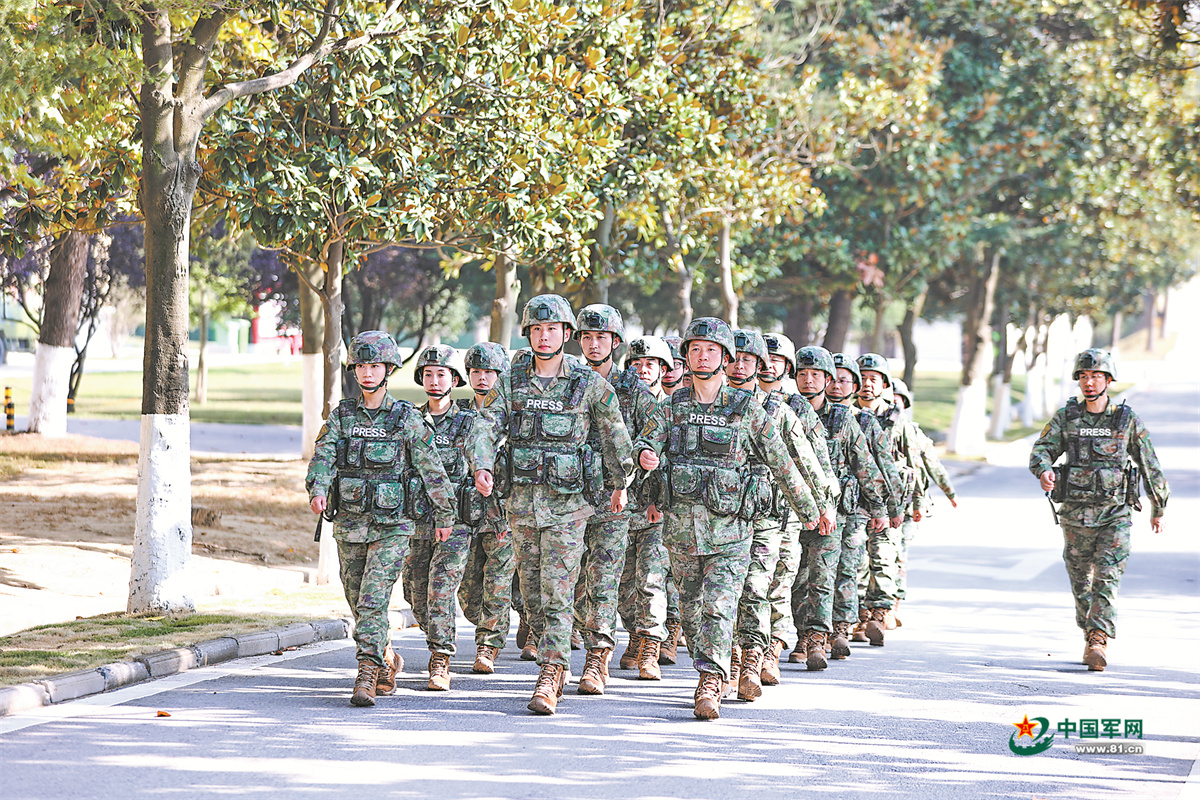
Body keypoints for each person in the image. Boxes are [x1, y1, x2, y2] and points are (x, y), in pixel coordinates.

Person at [634, 317, 821, 720]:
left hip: (732, 532)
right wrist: (644, 455)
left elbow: (781, 461)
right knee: (691, 611)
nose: (703, 357)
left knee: (719, 607)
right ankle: (715, 665)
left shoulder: (747, 409)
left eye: (712, 350)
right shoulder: (671, 408)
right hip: (681, 532)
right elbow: (645, 442)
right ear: (686, 356)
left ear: (725, 357)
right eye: (696, 350)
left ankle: (710, 682)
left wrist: (810, 509)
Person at [471, 294, 633, 715]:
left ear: (566, 334)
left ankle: (551, 672)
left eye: (553, 329)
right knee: (533, 596)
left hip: (568, 507)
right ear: (528, 333)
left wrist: (621, 483)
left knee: (559, 591)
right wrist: (482, 465)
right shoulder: (511, 381)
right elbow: (486, 425)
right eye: (537, 329)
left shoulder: (588, 382)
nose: (544, 337)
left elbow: (615, 435)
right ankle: (552, 657)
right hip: (522, 505)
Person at [306, 331, 455, 707]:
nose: (367, 373)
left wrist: (444, 514)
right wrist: (318, 488)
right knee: (358, 601)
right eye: (361, 366)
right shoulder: (342, 416)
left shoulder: (406, 418)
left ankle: (367, 671)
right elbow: (323, 456)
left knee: (372, 600)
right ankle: (386, 657)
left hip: (394, 527)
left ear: (389, 369)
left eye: (375, 366)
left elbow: (432, 469)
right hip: (350, 523)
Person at [1030, 348, 1168, 671]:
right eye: (1083, 376)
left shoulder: (1126, 420)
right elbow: (1042, 450)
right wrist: (1044, 470)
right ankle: (1089, 630)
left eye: (1095, 376)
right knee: (1081, 582)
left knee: (1107, 576)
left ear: (1108, 380)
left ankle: (1098, 639)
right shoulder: (1067, 418)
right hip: (1075, 516)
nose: (1088, 382)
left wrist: (1158, 505)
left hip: (1115, 516)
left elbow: (1149, 463)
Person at [729, 329, 835, 698]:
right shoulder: (714, 403)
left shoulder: (787, 409)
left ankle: (765, 652)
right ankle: (732, 654)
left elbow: (813, 461)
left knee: (773, 583)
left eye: (774, 360)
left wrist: (823, 504)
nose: (766, 366)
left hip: (778, 512)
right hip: (727, 512)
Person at [572, 304, 659, 692]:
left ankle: (597, 657)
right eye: (587, 337)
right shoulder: (569, 383)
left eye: (602, 337)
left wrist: (643, 457)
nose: (594, 344)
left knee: (605, 580)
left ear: (616, 342)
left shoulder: (632, 389)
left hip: (615, 500)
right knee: (570, 585)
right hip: (568, 498)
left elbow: (656, 433)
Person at [788, 345, 888, 664]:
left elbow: (864, 464)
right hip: (790, 510)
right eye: (802, 374)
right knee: (796, 579)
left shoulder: (841, 418)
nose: (808, 380)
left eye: (815, 374)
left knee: (823, 575)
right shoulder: (785, 410)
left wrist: (879, 507)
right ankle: (801, 635)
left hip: (832, 513)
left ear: (827, 379)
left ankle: (818, 638)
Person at [399, 345, 489, 691]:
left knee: (440, 589)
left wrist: (482, 473)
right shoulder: (409, 420)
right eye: (428, 374)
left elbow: (481, 455)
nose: (434, 381)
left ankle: (440, 659)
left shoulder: (468, 422)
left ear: (454, 380)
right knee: (416, 595)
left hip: (456, 523)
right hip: (417, 521)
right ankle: (436, 636)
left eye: (442, 374)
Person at [825, 353, 903, 649]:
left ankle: (844, 627)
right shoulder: (811, 414)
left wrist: (892, 507)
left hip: (857, 505)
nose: (836, 386)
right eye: (833, 379)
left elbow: (883, 465)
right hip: (819, 505)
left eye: (844, 380)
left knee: (850, 567)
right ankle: (820, 630)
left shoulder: (865, 421)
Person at [456, 342, 518, 675]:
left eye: (490, 372)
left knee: (498, 582)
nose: (482, 378)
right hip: (465, 515)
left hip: (503, 515)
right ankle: (504, 620)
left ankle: (487, 646)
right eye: (476, 371)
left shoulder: (514, 417)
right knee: (468, 592)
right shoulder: (458, 415)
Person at [615, 335, 675, 679]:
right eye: (636, 363)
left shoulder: (672, 408)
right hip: (620, 509)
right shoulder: (619, 402)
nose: (642, 369)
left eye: (650, 363)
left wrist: (658, 499)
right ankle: (635, 635)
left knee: (651, 579)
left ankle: (651, 644)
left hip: (656, 509)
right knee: (623, 584)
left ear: (663, 369)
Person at [854, 353, 919, 645]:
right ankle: (858, 616)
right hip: (855, 499)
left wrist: (915, 502)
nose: (867, 384)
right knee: (855, 560)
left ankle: (879, 613)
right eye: (863, 378)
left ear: (884, 385)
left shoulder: (897, 420)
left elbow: (913, 461)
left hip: (889, 499)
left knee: (882, 557)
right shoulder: (846, 415)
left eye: (874, 379)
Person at [891, 378, 957, 625]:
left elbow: (932, 464)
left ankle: (893, 604)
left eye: (898, 400)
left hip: (909, 505)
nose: (893, 404)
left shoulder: (912, 431)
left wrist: (949, 492)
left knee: (899, 554)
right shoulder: (872, 425)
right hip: (882, 505)